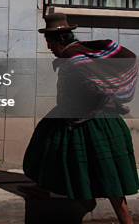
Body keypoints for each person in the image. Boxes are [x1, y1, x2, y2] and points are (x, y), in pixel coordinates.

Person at [23, 13, 139, 224]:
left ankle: (126, 219)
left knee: (107, 172)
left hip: (93, 122)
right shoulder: (79, 53)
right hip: (72, 114)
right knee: (45, 145)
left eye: (49, 42)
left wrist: (87, 106)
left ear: (59, 40)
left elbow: (95, 86)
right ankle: (43, 187)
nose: (48, 47)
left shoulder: (77, 59)